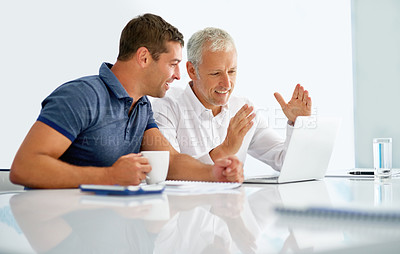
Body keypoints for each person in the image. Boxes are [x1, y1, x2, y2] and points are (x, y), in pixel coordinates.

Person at [10, 15, 243, 189]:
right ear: (143, 57)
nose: (178, 75)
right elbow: (24, 167)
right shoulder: (80, 96)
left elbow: (169, 161)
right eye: (172, 64)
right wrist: (109, 177)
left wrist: (213, 173)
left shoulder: (142, 106)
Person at [152, 27, 311, 171]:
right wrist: (225, 150)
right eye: (216, 73)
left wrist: (298, 124)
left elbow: (285, 162)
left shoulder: (243, 108)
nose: (227, 84)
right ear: (192, 71)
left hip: (232, 202)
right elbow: (167, 170)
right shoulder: (166, 106)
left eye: (232, 71)